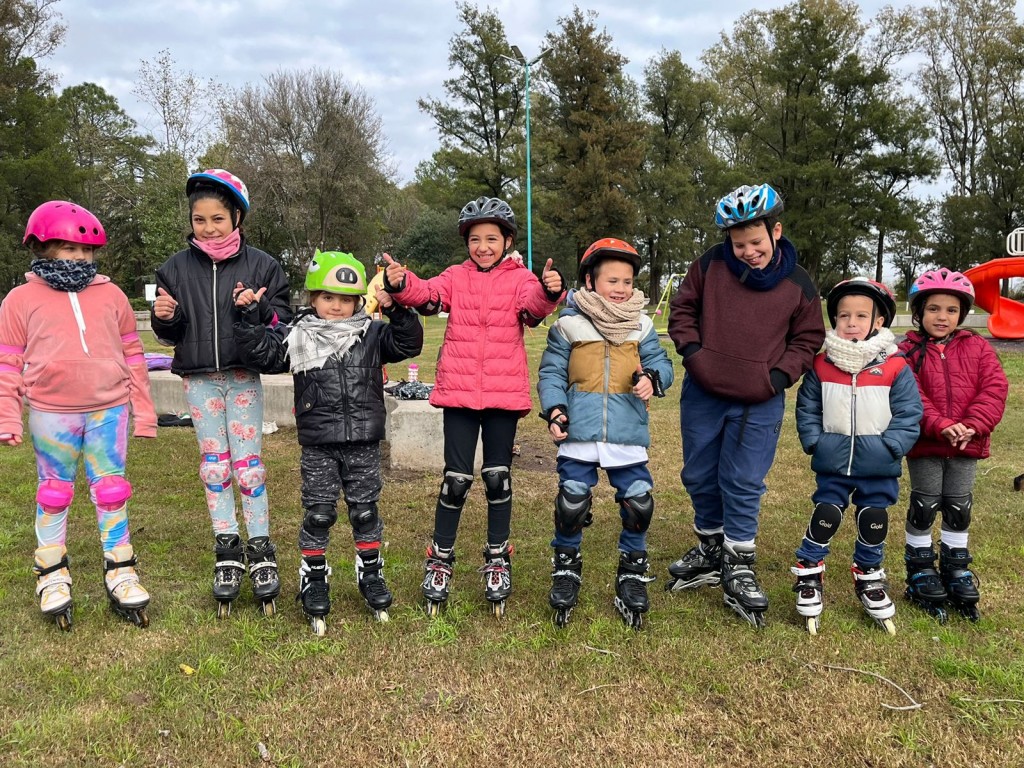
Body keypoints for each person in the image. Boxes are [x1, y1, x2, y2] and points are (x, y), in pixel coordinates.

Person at [382, 195, 566, 618]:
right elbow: (426, 297)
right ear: (467, 242)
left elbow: (534, 308)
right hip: (461, 394)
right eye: (476, 239)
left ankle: (498, 557)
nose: (483, 246)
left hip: (502, 396)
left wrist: (549, 290)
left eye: (492, 238)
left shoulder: (520, 279)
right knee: (456, 481)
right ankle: (440, 559)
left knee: (498, 478)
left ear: (506, 241)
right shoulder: (455, 277)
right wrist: (400, 280)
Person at [234, 250, 423, 634]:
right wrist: (249, 317)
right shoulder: (298, 336)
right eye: (328, 298)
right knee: (319, 513)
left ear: (358, 302)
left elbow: (409, 343)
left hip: (363, 442)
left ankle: (370, 571)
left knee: (365, 512)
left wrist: (398, 306)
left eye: (346, 299)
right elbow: (262, 353)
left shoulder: (372, 334)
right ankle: (314, 575)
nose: (337, 307)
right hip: (319, 443)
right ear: (313, 298)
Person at [664, 183, 825, 628]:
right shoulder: (710, 266)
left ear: (776, 231)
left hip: (760, 400)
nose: (748, 251)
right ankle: (711, 548)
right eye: (738, 244)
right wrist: (693, 353)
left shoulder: (799, 283)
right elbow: (683, 310)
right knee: (698, 472)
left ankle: (738, 560)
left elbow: (808, 339)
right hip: (704, 392)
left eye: (755, 242)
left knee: (743, 478)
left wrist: (777, 376)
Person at [0, 201, 157, 630]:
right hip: (52, 414)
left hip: (109, 410)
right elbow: (8, 364)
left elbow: (134, 355)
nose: (81, 259)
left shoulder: (111, 294)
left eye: (87, 251)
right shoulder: (19, 300)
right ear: (43, 246)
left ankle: (121, 569)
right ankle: (51, 573)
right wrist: (8, 417)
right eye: (70, 248)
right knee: (54, 493)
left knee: (111, 490)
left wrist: (143, 413)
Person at [151, 169, 292, 619]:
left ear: (236, 217)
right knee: (215, 467)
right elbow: (168, 332)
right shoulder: (174, 268)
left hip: (242, 377)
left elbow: (281, 322)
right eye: (199, 220)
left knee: (248, 466)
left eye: (217, 218)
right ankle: (227, 547)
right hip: (199, 381)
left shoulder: (262, 265)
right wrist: (165, 317)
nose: (208, 227)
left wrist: (257, 306)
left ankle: (261, 548)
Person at [538, 238, 674, 630]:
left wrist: (652, 379)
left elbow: (661, 364)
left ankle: (632, 571)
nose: (621, 288)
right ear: (589, 281)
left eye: (628, 281)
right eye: (612, 279)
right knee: (572, 503)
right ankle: (566, 565)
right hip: (579, 430)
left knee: (638, 505)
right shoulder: (569, 325)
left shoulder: (642, 324)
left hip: (626, 431)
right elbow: (551, 373)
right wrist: (556, 410)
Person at [791, 278, 922, 635]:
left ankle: (868, 573)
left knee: (873, 517)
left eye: (861, 316)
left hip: (877, 461)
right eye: (843, 315)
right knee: (827, 513)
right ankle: (810, 569)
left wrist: (892, 446)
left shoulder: (895, 366)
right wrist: (815, 441)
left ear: (878, 322)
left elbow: (910, 412)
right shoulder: (822, 365)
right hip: (833, 458)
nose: (851, 322)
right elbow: (808, 407)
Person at [898, 268, 1007, 622]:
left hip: (968, 444)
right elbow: (910, 394)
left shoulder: (977, 346)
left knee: (959, 507)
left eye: (950, 310)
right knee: (925, 505)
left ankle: (956, 568)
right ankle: (920, 567)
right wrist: (941, 425)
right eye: (933, 309)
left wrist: (973, 425)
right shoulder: (907, 351)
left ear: (961, 314)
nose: (941, 317)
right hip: (927, 443)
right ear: (919, 312)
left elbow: (994, 388)